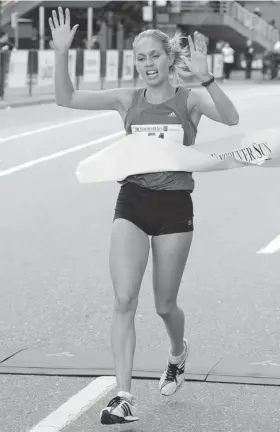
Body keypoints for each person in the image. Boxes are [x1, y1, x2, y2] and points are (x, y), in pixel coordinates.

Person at [49, 7, 239, 426]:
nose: (147, 64)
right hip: (132, 201)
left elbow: (231, 117)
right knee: (123, 299)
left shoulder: (190, 99)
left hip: (174, 207)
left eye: (154, 55)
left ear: (169, 58)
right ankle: (124, 395)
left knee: (165, 304)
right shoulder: (126, 99)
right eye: (141, 58)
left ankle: (177, 353)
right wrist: (61, 53)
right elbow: (66, 98)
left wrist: (207, 76)